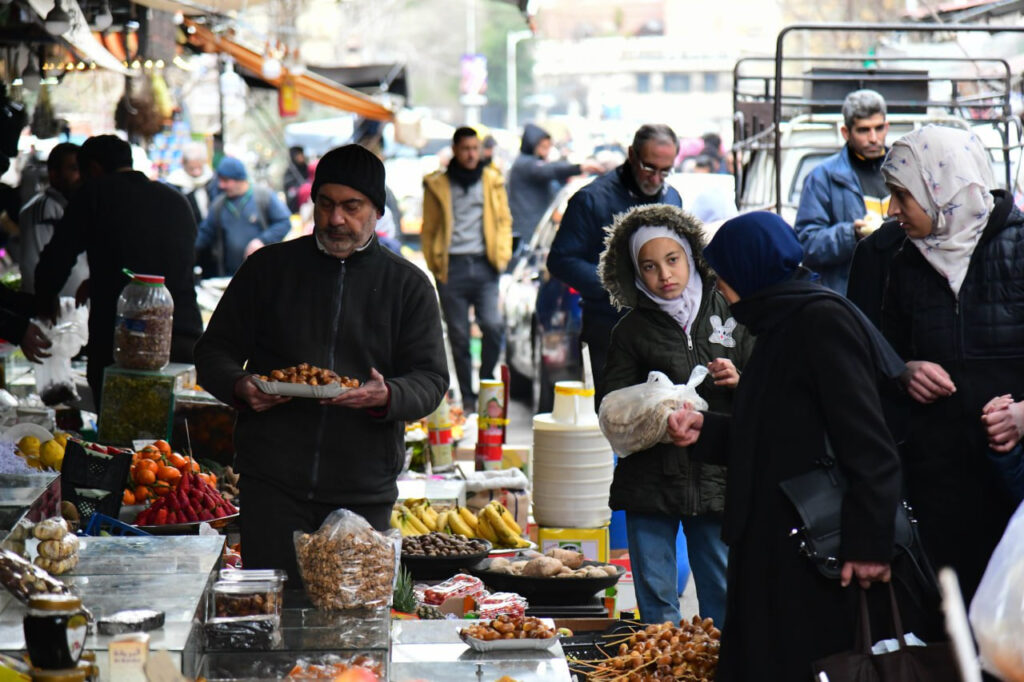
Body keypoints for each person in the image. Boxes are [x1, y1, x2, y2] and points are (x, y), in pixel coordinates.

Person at [665, 211, 914, 681]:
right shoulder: (780, 323)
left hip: (812, 559)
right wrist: (708, 430)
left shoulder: (820, 322)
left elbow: (868, 442)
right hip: (773, 546)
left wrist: (869, 545)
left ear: (751, 270)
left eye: (725, 277)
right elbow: (777, 429)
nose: (720, 289)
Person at [193, 144, 448, 581]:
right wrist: (241, 386)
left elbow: (430, 377)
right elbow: (212, 353)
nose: (335, 219)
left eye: (352, 207)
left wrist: (388, 396)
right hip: (271, 485)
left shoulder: (408, 285)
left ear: (377, 210)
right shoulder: (268, 270)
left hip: (363, 489)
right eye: (326, 204)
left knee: (352, 627)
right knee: (273, 622)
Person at [880, 124, 1022, 602]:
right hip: (939, 485)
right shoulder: (903, 262)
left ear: (942, 188)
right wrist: (905, 370)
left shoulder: (1019, 250)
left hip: (1014, 484)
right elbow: (884, 353)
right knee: (950, 623)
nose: (893, 209)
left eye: (903, 195)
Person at [597, 204, 751, 628]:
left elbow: (773, 386)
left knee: (721, 593)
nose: (664, 275)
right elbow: (611, 408)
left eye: (672, 260)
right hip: (649, 480)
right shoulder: (629, 331)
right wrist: (657, 414)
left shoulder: (732, 313)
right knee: (657, 601)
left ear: (691, 256)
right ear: (633, 272)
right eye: (649, 266)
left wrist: (741, 381)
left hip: (716, 476)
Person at [33, 135, 203, 409]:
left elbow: (57, 257)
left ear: (95, 169)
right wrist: (101, 274)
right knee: (175, 439)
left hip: (124, 345)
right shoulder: (176, 199)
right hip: (183, 337)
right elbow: (159, 257)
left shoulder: (95, 193)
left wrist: (44, 301)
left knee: (122, 438)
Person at [547, 123, 683, 394]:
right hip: (608, 331)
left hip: (660, 331)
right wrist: (619, 286)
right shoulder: (591, 200)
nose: (656, 179)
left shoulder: (672, 198)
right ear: (632, 155)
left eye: (664, 171)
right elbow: (561, 260)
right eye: (649, 168)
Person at [421, 127, 512, 412]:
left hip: (485, 266)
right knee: (459, 335)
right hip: (453, 267)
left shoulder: (492, 180)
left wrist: (502, 254)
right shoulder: (438, 185)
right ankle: (469, 398)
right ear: (455, 150)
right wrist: (436, 265)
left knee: (493, 326)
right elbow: (430, 228)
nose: (471, 154)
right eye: (465, 149)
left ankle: (486, 379)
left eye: (475, 148)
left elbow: (504, 221)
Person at [794, 89, 890, 294]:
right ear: (846, 133)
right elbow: (807, 244)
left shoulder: (905, 170)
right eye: (864, 130)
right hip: (850, 299)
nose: (873, 138)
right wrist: (851, 234)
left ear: (887, 127)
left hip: (897, 297)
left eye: (879, 128)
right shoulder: (822, 178)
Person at [195, 156, 292, 278]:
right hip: (231, 275)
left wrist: (262, 240)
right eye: (220, 181)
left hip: (263, 273)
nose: (221, 185)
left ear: (239, 179)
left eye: (225, 181)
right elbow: (205, 233)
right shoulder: (219, 205)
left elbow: (284, 222)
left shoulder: (263, 196)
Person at [508, 123, 600, 247]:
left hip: (538, 227)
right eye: (542, 147)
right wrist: (580, 167)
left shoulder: (533, 163)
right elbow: (549, 170)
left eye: (548, 147)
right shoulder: (525, 164)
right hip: (528, 229)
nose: (546, 152)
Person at [18, 142, 87, 297]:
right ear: (54, 174)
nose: (81, 177)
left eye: (83, 169)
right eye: (74, 169)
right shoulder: (43, 208)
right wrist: (46, 303)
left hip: (76, 314)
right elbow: (33, 265)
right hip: (57, 314)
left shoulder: (74, 207)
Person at [283, 145, 308, 214]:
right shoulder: (290, 172)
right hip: (298, 208)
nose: (301, 156)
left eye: (301, 154)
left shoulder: (306, 168)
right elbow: (290, 191)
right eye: (298, 154)